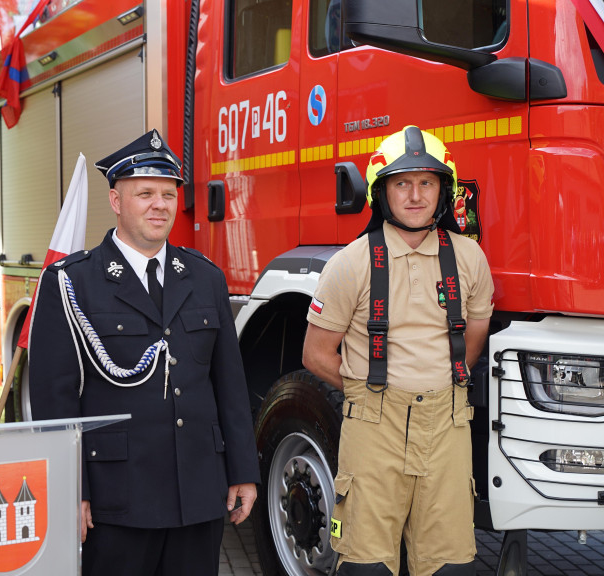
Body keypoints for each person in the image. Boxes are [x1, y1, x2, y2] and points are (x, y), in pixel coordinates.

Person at [27, 129, 260, 576]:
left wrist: (242, 471)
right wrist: (71, 489)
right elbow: (54, 401)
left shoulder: (204, 276)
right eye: (145, 194)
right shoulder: (72, 281)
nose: (160, 205)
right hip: (119, 497)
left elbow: (229, 385)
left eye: (169, 194)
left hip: (197, 492)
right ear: (116, 201)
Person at [302, 126, 494, 576]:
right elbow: (316, 354)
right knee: (365, 565)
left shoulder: (470, 259)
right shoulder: (349, 264)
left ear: (443, 192)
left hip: (448, 427)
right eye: (402, 183)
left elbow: (475, 335)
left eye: (426, 182)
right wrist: (371, 393)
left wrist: (439, 384)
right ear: (381, 193)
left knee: (450, 566)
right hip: (374, 429)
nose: (415, 195)